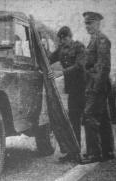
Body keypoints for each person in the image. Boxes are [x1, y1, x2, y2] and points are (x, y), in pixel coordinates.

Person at [81, 12, 114, 164]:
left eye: (90, 23)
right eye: (86, 23)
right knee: (104, 119)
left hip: (97, 86)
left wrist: (96, 87)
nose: (87, 26)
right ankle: (108, 151)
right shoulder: (94, 39)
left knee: (90, 116)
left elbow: (103, 66)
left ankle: (95, 153)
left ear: (98, 23)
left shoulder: (101, 40)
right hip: (95, 84)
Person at [49, 26, 86, 162]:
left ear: (70, 37)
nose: (62, 42)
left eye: (64, 39)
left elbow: (80, 66)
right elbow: (49, 58)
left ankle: (96, 152)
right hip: (73, 90)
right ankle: (74, 152)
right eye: (61, 39)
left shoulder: (79, 47)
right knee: (74, 120)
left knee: (88, 120)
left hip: (84, 88)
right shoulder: (61, 50)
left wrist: (61, 72)